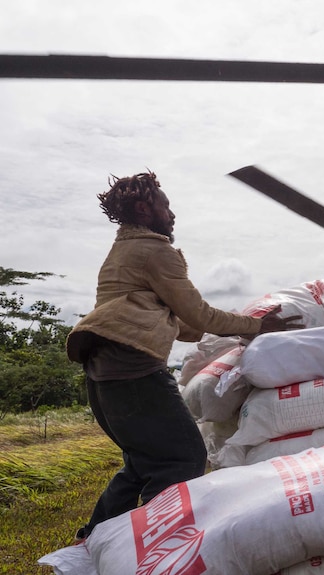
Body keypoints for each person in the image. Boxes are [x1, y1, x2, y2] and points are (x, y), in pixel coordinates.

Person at [66, 171, 302, 541]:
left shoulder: (122, 253)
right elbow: (200, 316)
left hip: (105, 381)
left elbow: (186, 325)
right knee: (185, 457)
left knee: (142, 463)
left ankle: (90, 540)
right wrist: (258, 326)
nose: (172, 214)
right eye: (165, 206)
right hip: (135, 375)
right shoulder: (155, 251)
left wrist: (224, 326)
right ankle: (158, 549)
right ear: (145, 209)